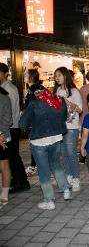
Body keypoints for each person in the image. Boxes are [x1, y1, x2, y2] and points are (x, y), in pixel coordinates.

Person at [19, 88, 71, 210]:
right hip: (56, 138)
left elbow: (22, 124)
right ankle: (66, 189)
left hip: (39, 140)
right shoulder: (59, 101)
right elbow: (64, 117)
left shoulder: (34, 104)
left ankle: (49, 200)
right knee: (56, 164)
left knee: (43, 171)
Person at [0, 63, 30, 193]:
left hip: (10, 127)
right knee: (10, 156)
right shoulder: (4, 88)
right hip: (9, 126)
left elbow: (9, 112)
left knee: (13, 156)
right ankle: (16, 179)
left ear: (5, 73)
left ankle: (22, 182)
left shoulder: (9, 89)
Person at [53, 67, 83, 192]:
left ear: (65, 76)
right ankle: (69, 176)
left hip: (71, 126)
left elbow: (80, 110)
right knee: (64, 153)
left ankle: (76, 178)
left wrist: (69, 104)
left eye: (59, 75)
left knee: (71, 153)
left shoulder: (74, 91)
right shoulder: (57, 90)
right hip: (59, 126)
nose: (57, 78)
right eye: (56, 76)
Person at [22, 69, 46, 176]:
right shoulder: (38, 87)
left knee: (34, 144)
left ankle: (34, 165)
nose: (24, 76)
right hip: (39, 121)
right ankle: (36, 164)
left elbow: (33, 105)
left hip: (35, 121)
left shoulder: (34, 88)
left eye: (26, 75)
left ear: (31, 76)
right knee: (36, 143)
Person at [0, 86, 12, 205]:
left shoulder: (4, 98)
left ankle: (4, 195)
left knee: (4, 166)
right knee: (4, 165)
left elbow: (8, 120)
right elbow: (8, 121)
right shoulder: (5, 98)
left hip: (2, 137)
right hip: (3, 135)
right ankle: (4, 195)